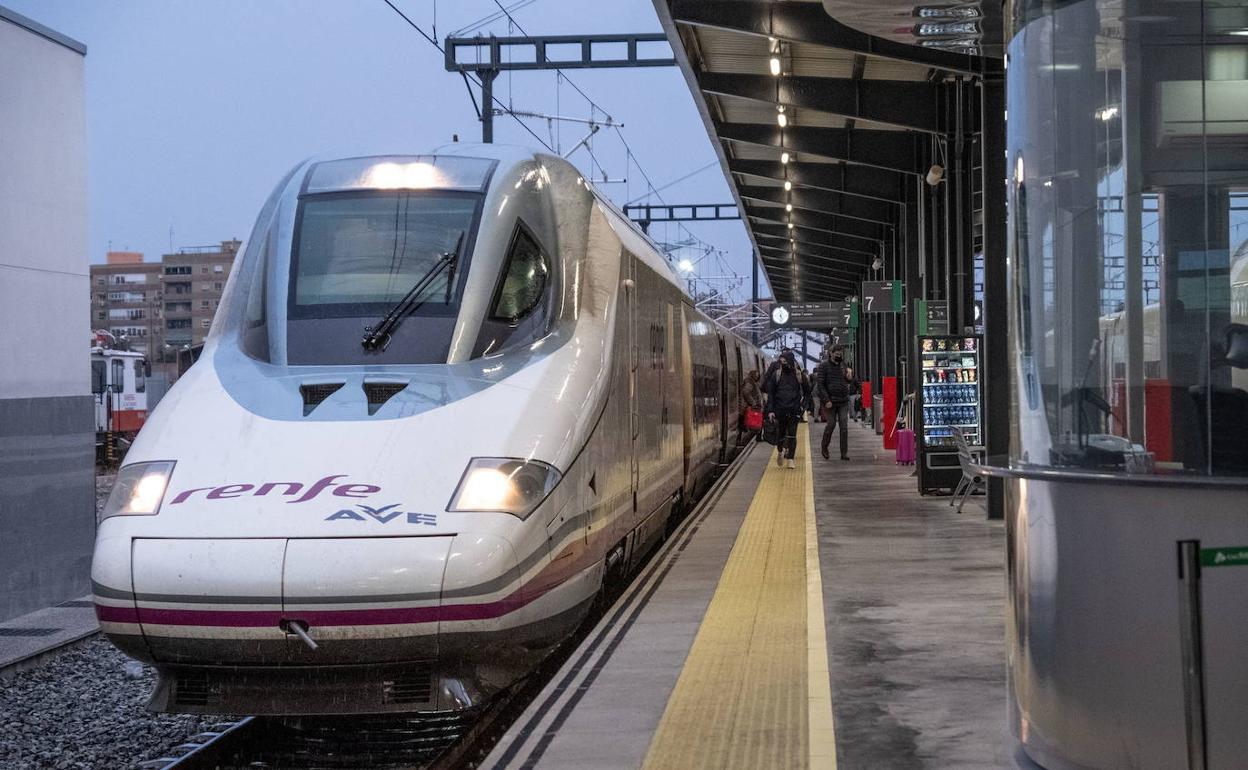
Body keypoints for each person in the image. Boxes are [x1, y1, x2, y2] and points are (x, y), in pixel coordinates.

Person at [763, 349, 804, 469]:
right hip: (779, 410)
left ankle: (791, 459)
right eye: (781, 362)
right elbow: (771, 394)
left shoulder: (798, 375)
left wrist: (803, 407)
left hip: (794, 410)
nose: (783, 364)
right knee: (780, 434)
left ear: (790, 361)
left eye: (785, 361)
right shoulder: (777, 375)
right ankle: (780, 450)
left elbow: (807, 391)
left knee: (792, 435)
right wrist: (770, 410)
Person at [815, 344, 851, 460]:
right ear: (831, 353)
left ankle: (844, 453)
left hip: (843, 400)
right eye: (837, 354)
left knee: (844, 426)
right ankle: (824, 447)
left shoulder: (843, 365)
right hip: (830, 401)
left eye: (840, 354)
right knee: (831, 424)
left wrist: (849, 376)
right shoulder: (824, 366)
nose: (839, 356)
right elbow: (820, 385)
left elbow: (848, 380)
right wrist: (826, 400)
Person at [739, 369, 762, 443]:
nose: (757, 376)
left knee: (753, 424)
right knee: (752, 424)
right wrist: (753, 402)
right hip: (749, 407)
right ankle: (745, 439)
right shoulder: (750, 382)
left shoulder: (752, 382)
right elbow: (746, 392)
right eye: (756, 375)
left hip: (750, 406)